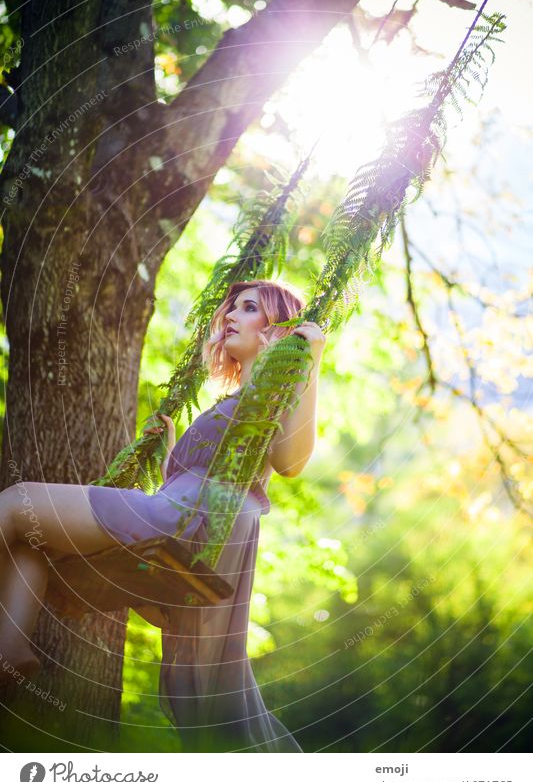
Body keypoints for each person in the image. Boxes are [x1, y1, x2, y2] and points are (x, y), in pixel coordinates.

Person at [0, 279, 326, 751]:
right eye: (230, 308)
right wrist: (174, 451)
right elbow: (200, 480)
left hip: (184, 523)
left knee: (17, 503)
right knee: (32, 534)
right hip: (177, 518)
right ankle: (10, 649)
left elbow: (291, 462)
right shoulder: (232, 407)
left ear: (275, 328)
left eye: (249, 308)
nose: (230, 315)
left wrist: (310, 358)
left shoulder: (270, 395)